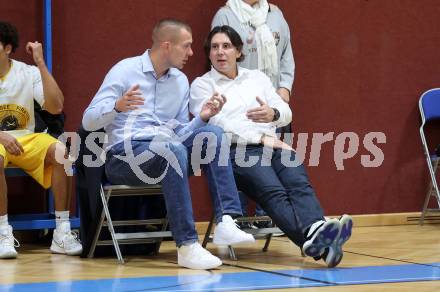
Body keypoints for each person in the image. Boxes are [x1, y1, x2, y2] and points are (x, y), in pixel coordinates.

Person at [82, 19, 255, 270]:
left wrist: (202, 117)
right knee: (172, 150)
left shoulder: (180, 81)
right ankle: (187, 245)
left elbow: (180, 133)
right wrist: (116, 106)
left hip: (165, 148)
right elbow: (88, 121)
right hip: (123, 156)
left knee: (213, 133)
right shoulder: (124, 71)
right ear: (166, 45)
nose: (192, 53)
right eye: (186, 46)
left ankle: (227, 220)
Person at [189, 25, 353, 268]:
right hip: (235, 152)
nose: (220, 52)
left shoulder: (257, 78)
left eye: (226, 46)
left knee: (299, 182)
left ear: (239, 51)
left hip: (273, 145)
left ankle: (316, 232)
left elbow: (286, 112)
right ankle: (316, 238)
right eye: (214, 47)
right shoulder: (202, 86)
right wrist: (261, 138)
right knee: (273, 190)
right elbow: (219, 125)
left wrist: (272, 113)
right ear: (209, 53)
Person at [0, 21, 82, 258]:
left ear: (7, 48)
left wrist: (40, 63)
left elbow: (56, 108)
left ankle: (62, 233)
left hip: (26, 139)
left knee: (61, 153)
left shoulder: (28, 72)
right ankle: (3, 232)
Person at [212, 0, 294, 222]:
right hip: (238, 102)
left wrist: (284, 88)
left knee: (272, 157)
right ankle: (236, 220)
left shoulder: (275, 14)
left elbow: (287, 54)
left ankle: (266, 219)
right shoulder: (226, 15)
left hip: (271, 100)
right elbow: (218, 57)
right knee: (241, 156)